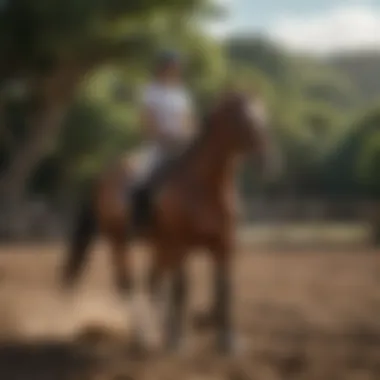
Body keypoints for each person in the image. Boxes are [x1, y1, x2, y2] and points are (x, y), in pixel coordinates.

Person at [131, 50, 196, 229]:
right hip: (158, 145)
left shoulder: (182, 94)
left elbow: (189, 121)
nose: (176, 71)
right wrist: (164, 137)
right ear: (162, 69)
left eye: (177, 67)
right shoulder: (150, 91)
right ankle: (140, 218)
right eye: (172, 67)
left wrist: (190, 137)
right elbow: (147, 120)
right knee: (142, 177)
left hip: (182, 145)